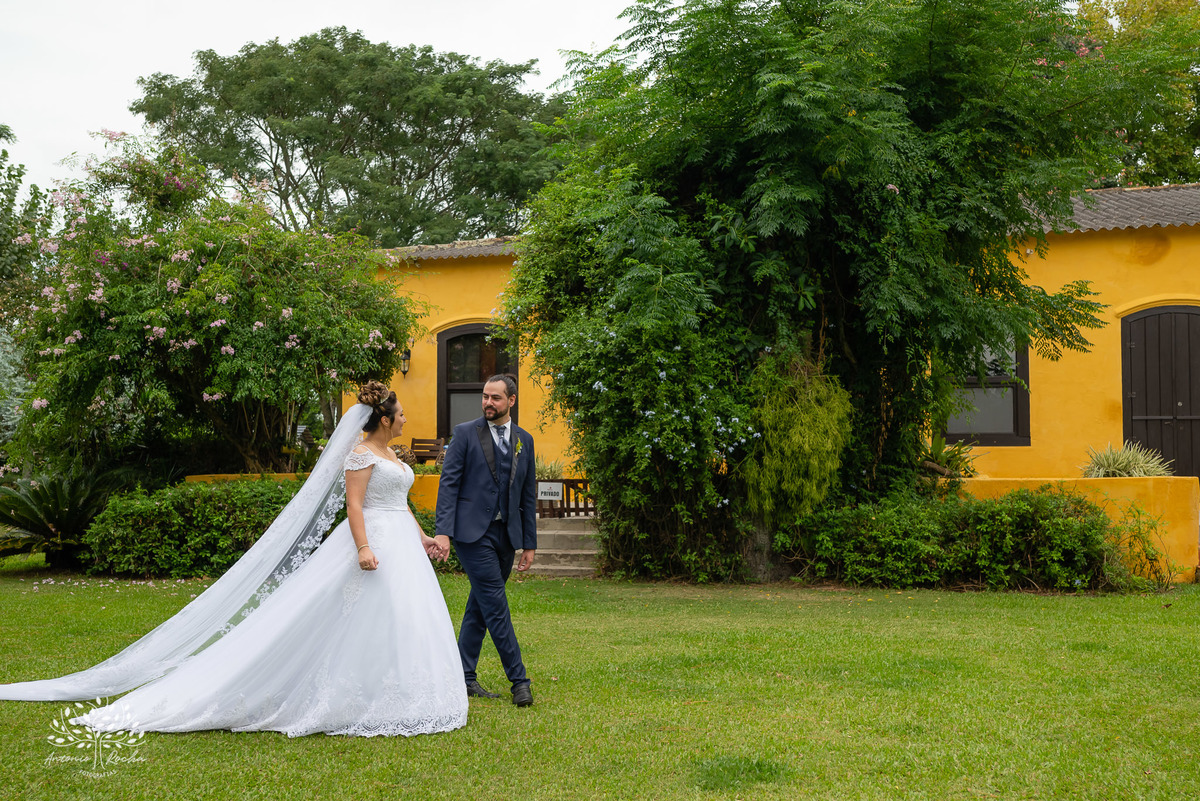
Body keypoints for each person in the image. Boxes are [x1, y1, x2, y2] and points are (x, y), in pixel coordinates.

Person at [0, 382, 468, 738]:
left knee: (403, 615)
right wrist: (363, 547)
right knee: (354, 614)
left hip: (401, 543)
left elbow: (399, 504)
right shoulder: (361, 454)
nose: (405, 420)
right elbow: (355, 505)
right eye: (401, 415)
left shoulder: (392, 454)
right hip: (372, 543)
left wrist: (423, 536)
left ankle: (398, 691)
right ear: (383, 419)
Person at [434, 373, 537, 707]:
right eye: (485, 396)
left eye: (495, 397)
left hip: (506, 534)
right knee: (495, 603)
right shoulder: (465, 433)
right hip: (471, 534)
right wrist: (443, 531)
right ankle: (519, 681)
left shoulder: (524, 440)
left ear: (511, 401)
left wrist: (529, 543)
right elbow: (449, 484)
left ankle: (463, 677)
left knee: (480, 606)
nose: (487, 403)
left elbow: (527, 494)